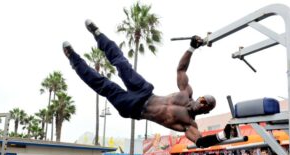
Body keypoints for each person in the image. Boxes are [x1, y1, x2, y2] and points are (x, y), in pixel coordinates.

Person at [63, 20, 222, 147]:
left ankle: (74, 60)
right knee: (123, 64)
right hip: (145, 91)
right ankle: (98, 34)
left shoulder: (189, 124)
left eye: (204, 106)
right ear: (200, 97)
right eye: (202, 100)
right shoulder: (185, 93)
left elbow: (200, 142)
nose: (201, 104)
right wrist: (191, 48)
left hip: (135, 108)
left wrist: (222, 136)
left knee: (104, 85)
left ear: (205, 112)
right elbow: (181, 69)